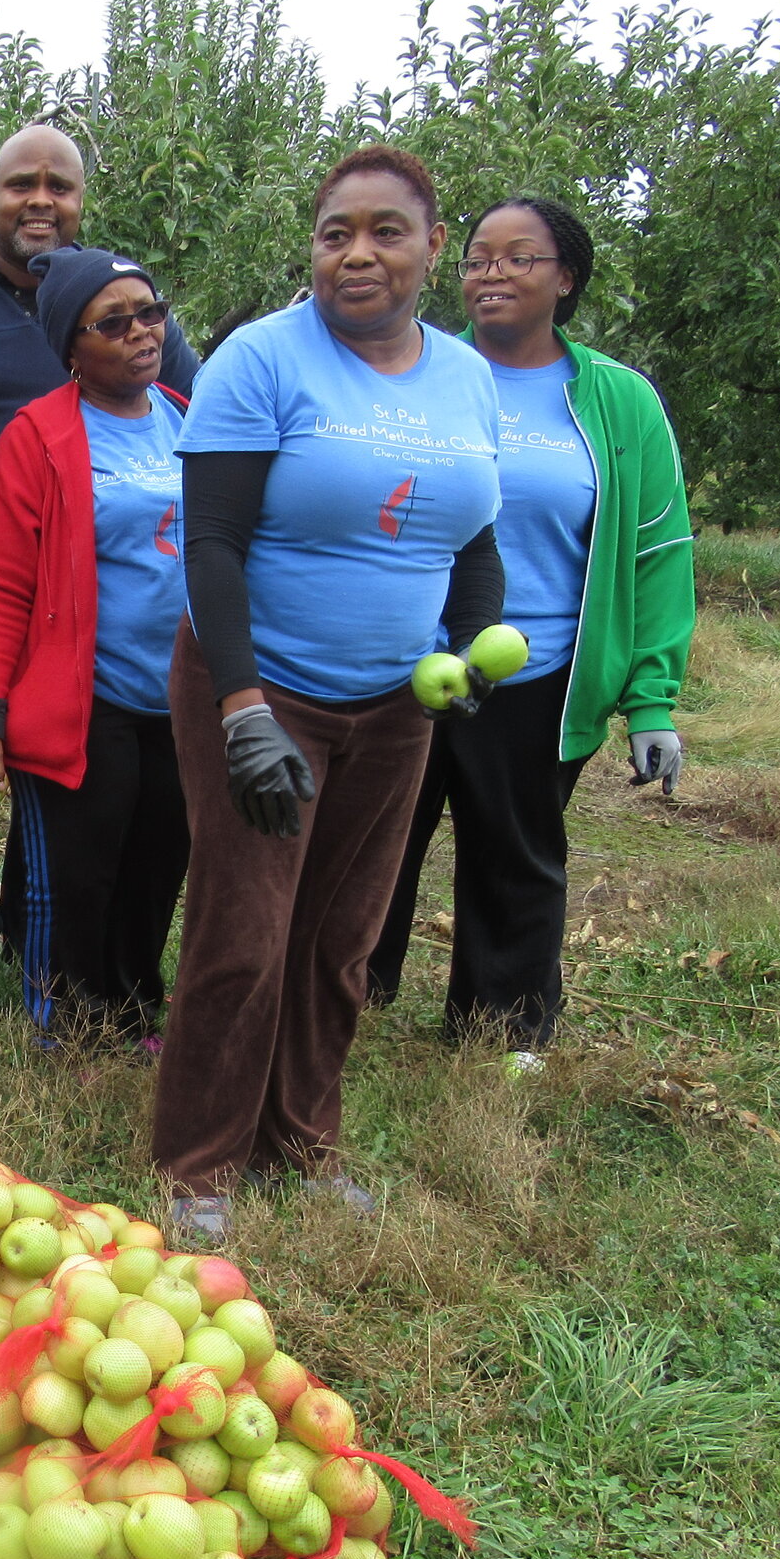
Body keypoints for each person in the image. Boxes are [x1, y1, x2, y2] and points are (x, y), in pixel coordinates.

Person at [152, 145, 505, 1232]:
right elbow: (210, 544)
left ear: (432, 249)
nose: (356, 253)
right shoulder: (262, 358)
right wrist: (244, 707)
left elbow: (474, 537)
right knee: (244, 931)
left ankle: (301, 1144)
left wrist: (477, 638)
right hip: (265, 690)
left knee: (342, 936)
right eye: (333, 231)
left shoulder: (465, 376)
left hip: (397, 703)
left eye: (385, 231)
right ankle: (197, 1165)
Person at [365, 196, 694, 1059]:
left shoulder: (619, 404)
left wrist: (651, 700)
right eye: (477, 258)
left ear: (567, 279)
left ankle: (502, 1030)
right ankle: (347, 1003)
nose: (492, 274)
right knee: (374, 846)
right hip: (405, 656)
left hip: (538, 669)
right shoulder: (417, 373)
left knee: (516, 851)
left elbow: (660, 553)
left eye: (520, 258)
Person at [0, 124, 202, 976]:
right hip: (29, 629)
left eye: (149, 315)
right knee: (54, 844)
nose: (139, 332)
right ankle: (20, 981)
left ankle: (124, 994)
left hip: (161, 666)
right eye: (20, 184)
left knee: (150, 842)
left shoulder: (172, 395)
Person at [0, 248, 190, 1049]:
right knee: (76, 877)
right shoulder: (39, 435)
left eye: (149, 313)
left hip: (180, 694)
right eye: (112, 323)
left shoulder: (189, 414)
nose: (139, 332)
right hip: (86, 699)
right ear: (72, 347)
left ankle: (131, 1010)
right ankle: (61, 1021)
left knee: (158, 862)